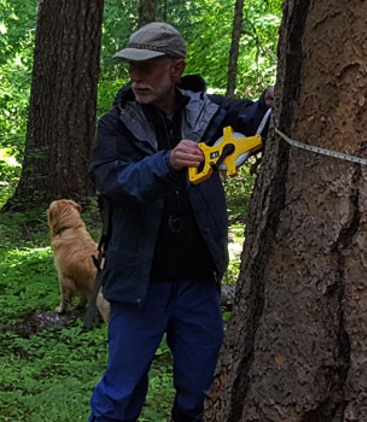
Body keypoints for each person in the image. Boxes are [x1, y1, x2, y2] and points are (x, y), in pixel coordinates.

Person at [88, 22, 274, 422]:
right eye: (132, 68)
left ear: (176, 69)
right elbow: (111, 182)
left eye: (148, 67)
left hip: (197, 284)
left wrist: (272, 99)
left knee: (201, 393)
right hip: (138, 284)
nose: (136, 77)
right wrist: (165, 162)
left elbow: (256, 119)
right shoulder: (115, 124)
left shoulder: (209, 112)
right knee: (120, 395)